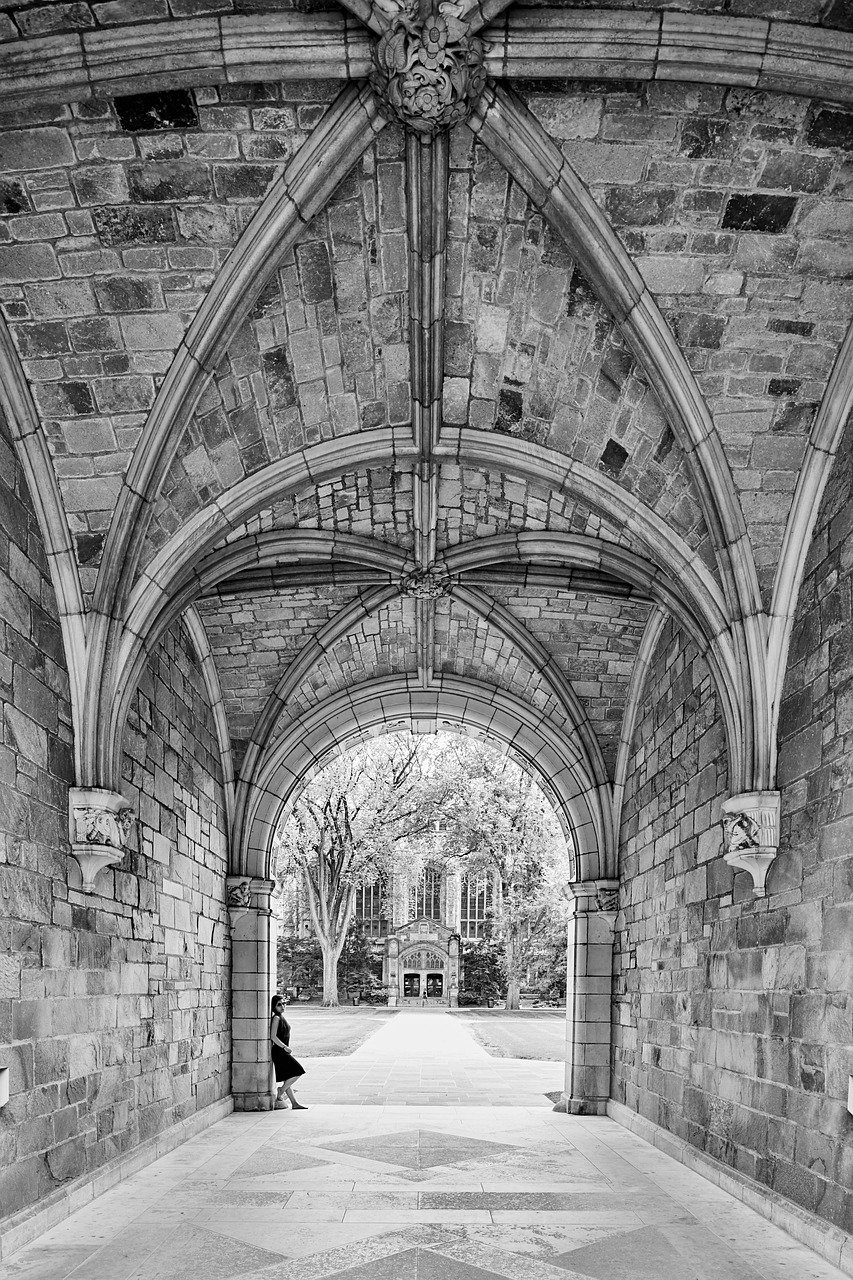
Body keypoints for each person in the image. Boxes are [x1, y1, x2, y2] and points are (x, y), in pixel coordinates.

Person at [270, 993, 307, 1111]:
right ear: (274, 1006)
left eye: (283, 1004)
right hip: (279, 1052)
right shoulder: (276, 1018)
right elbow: (273, 1036)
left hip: (282, 1051)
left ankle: (294, 1103)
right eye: (279, 1005)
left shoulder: (281, 1017)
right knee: (298, 1071)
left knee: (288, 1078)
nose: (282, 1006)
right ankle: (280, 1090)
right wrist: (284, 1047)